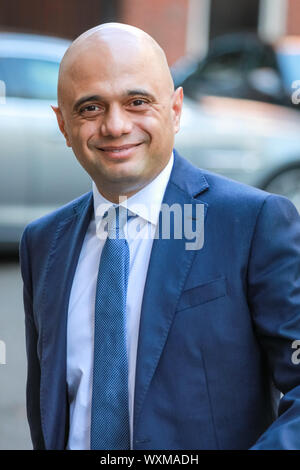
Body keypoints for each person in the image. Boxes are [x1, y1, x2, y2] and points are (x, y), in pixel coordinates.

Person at [20, 22, 300, 450]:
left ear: (175, 109)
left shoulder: (252, 223)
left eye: (137, 101)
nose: (115, 126)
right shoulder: (43, 243)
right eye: (90, 107)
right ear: (62, 124)